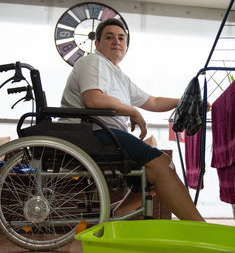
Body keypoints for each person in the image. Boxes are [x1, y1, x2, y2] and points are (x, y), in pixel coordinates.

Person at [61, 18, 205, 222]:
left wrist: (187, 102)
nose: (116, 42)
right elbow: (93, 98)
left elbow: (153, 102)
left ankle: (116, 214)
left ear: (126, 46)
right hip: (92, 134)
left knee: (154, 175)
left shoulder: (120, 76)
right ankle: (199, 226)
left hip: (107, 134)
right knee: (163, 164)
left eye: (121, 38)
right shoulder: (92, 61)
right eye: (109, 37)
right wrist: (133, 112)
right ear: (97, 44)